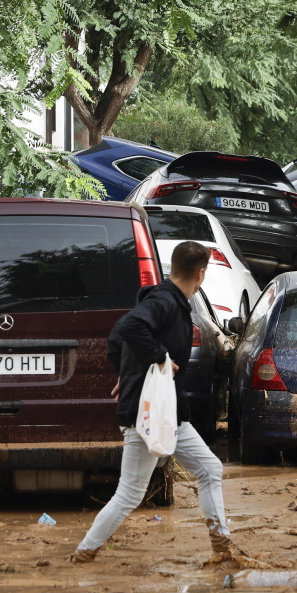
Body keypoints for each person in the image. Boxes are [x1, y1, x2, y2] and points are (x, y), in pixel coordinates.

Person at [72, 240, 235, 564]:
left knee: (209, 469)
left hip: (169, 413)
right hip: (147, 413)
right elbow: (130, 327)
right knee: (130, 494)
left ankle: (222, 548)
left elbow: (117, 336)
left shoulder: (168, 301)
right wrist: (157, 358)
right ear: (200, 274)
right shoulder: (165, 302)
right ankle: (84, 553)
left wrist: (127, 372)